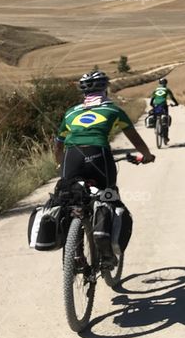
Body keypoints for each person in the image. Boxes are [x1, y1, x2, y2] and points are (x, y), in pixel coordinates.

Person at [53, 70, 155, 264]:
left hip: (71, 156)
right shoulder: (113, 110)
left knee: (70, 200)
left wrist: (60, 162)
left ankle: (75, 254)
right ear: (105, 90)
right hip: (98, 155)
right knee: (108, 194)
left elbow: (58, 144)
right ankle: (104, 244)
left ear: (83, 93)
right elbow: (135, 139)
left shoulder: (71, 112)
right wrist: (147, 156)